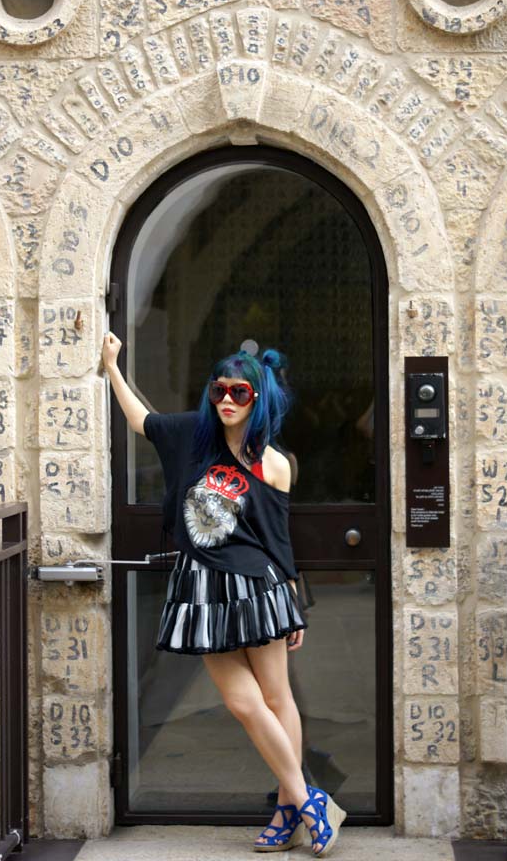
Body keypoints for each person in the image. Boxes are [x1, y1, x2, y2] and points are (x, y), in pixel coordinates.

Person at [102, 334, 347, 857]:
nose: (228, 401)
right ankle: (311, 802)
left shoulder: (272, 462)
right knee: (242, 702)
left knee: (277, 699)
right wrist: (110, 367)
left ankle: (289, 811)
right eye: (219, 391)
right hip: (201, 587)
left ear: (259, 398)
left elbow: (277, 537)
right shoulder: (192, 436)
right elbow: (139, 421)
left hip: (257, 586)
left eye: (240, 392)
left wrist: (292, 602)